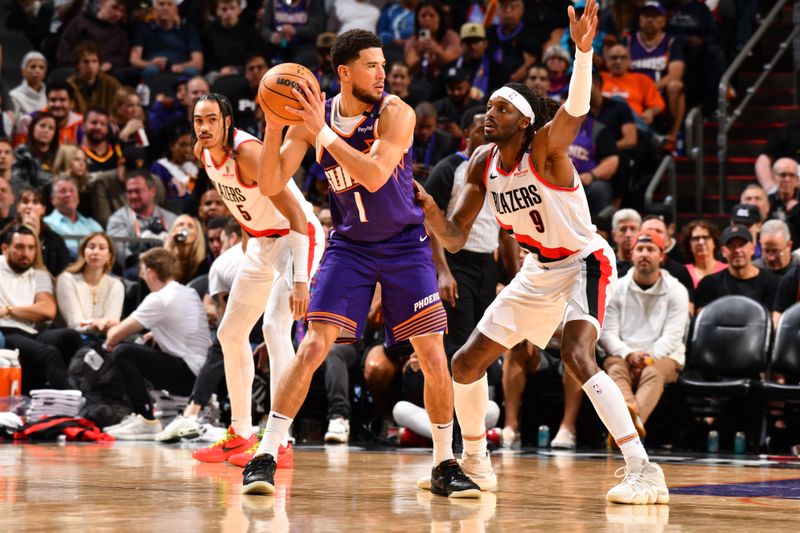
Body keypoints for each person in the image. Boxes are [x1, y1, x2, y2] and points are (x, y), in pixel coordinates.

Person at [416, 1, 669, 504]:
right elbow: (454, 236)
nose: (490, 113)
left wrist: (582, 52)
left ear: (526, 120)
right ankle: (475, 462)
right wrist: (423, 205)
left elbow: (575, 109)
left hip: (583, 263)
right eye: (488, 106)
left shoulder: (546, 151)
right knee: (464, 366)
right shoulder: (482, 162)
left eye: (502, 108)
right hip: (537, 270)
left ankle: (645, 471)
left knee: (577, 355)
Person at [247, 29, 479, 498]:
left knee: (433, 355)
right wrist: (275, 125)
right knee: (313, 345)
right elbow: (271, 181)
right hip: (349, 245)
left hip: (404, 244)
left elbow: (374, 177)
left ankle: (443, 462)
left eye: (383, 64)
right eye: (371, 65)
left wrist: (321, 133)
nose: (382, 72)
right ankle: (266, 453)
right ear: (344, 72)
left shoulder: (396, 113)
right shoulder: (316, 117)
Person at [189, 93, 323, 467]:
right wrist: (249, 235)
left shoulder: (247, 153)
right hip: (262, 243)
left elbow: (297, 215)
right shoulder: (204, 154)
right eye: (198, 120)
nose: (204, 127)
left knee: (274, 328)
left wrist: (300, 280)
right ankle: (241, 432)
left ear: (227, 122)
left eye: (211, 119)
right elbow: (241, 202)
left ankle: (281, 439)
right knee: (230, 334)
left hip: (297, 240)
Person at [102, 248, 211, 439]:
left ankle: (145, 419)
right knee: (142, 342)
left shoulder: (159, 299)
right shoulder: (188, 291)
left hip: (187, 376)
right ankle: (145, 414)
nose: (143, 277)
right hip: (201, 375)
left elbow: (114, 336)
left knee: (123, 352)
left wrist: (106, 327)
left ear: (151, 273)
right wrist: (155, 332)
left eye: (143, 273)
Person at [600, 229, 688, 433]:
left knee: (653, 373)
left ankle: (624, 431)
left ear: (662, 256)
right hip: (622, 354)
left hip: (663, 356)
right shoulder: (616, 287)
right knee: (615, 370)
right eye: (640, 249)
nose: (644, 254)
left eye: (651, 249)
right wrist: (629, 354)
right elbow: (607, 333)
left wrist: (648, 358)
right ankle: (633, 426)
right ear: (631, 255)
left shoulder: (677, 291)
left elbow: (673, 336)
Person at [0, 224, 83, 393]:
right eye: (20, 247)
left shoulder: (39, 275)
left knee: (70, 336)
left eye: (31, 248)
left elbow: (46, 310)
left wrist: (9, 310)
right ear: (5, 248)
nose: (26, 253)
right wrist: (30, 311)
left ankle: (83, 390)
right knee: (49, 353)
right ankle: (70, 402)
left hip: (31, 331)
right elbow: (39, 309)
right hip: (5, 331)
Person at [695, 224, 779, 312]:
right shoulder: (709, 284)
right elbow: (703, 321)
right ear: (723, 251)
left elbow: (774, 320)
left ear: (752, 249)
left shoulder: (772, 283)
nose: (737, 250)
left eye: (742, 245)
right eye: (731, 246)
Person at [55, 232, 124, 332]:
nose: (96, 252)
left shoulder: (116, 285)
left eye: (102, 248)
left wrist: (98, 324)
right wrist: (95, 323)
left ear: (109, 256)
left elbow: (112, 322)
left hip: (104, 339)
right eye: (91, 247)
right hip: (71, 338)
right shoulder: (67, 279)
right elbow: (75, 323)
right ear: (83, 253)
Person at [129, 0, 203, 78]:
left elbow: (198, 63)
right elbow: (134, 60)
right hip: (153, 70)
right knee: (150, 70)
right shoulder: (142, 28)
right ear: (153, 9)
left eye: (169, 4)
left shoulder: (188, 30)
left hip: (181, 71)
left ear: (176, 9)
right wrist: (150, 64)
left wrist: (181, 67)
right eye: (161, 4)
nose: (165, 8)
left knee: (192, 71)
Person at [13, 186, 71, 276]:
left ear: (43, 209)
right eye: (25, 202)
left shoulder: (55, 241)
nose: (29, 206)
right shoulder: (7, 236)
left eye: (35, 202)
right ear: (18, 208)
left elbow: (63, 272)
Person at [43, 175, 103, 258]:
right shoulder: (46, 224)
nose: (68, 194)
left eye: (72, 191)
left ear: (78, 198)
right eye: (63, 191)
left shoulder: (92, 225)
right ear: (53, 199)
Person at [65, 40, 122, 115]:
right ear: (77, 65)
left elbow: (123, 101)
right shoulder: (70, 85)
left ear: (99, 64)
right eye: (85, 62)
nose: (90, 66)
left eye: (94, 61)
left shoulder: (110, 83)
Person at [681, 219, 725, 288]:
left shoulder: (726, 270)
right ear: (689, 245)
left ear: (714, 243)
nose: (701, 242)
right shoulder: (683, 272)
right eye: (696, 238)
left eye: (705, 237)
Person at [163, 214, 207, 284]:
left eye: (190, 226)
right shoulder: (164, 259)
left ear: (197, 234)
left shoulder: (205, 263)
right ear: (173, 232)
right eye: (180, 225)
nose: (185, 229)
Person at [9, 52, 47, 116]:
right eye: (33, 67)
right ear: (23, 71)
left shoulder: (49, 95)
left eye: (41, 67)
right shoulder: (14, 96)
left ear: (44, 73)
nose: (37, 70)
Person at [611, 208, 641, 276]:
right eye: (623, 229)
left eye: (633, 229)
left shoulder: (644, 264)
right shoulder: (605, 262)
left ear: (640, 233)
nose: (628, 235)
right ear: (614, 235)